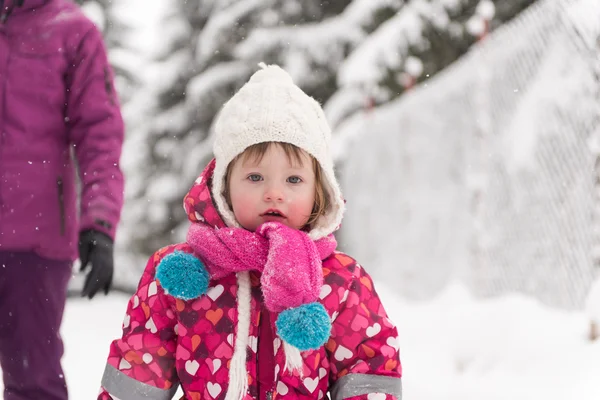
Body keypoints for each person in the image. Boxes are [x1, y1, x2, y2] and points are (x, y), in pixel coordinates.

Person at [98, 64, 401, 400]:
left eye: (294, 179)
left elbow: (369, 373)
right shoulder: (181, 272)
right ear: (224, 186)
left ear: (320, 191)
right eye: (255, 177)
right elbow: (140, 370)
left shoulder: (341, 280)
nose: (274, 192)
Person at [0, 0, 125, 399]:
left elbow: (99, 137)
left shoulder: (72, 31)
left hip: (34, 242)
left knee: (33, 380)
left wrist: (100, 223)